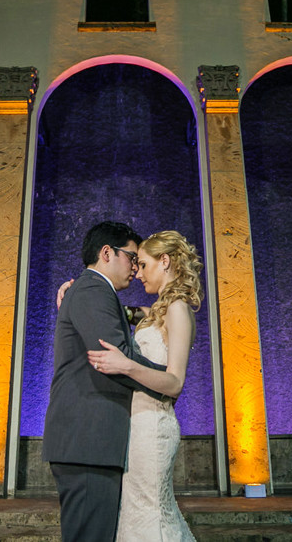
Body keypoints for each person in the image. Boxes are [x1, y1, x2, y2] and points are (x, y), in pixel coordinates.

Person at [42, 221, 170, 542]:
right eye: (131, 258)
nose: (135, 269)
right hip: (88, 441)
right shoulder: (91, 289)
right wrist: (167, 380)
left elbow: (119, 322)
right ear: (106, 253)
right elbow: (118, 356)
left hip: (92, 443)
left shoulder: (94, 292)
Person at [86, 230, 201, 542]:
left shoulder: (177, 309)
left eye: (145, 265)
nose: (138, 274)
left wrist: (127, 365)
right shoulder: (160, 311)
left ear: (165, 261)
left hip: (153, 428)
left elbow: (175, 382)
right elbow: (130, 314)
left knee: (150, 512)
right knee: (137, 512)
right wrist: (83, 291)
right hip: (137, 428)